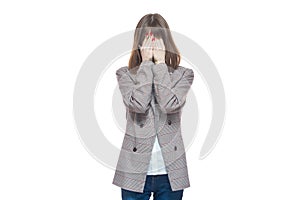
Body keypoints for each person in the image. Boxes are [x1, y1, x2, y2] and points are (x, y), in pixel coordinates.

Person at [113, 13, 194, 200]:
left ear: (166, 44)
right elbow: (139, 104)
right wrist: (147, 63)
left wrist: (160, 65)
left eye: (157, 41)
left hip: (170, 172)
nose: (153, 48)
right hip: (134, 170)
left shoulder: (184, 75)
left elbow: (168, 104)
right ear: (139, 45)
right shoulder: (125, 74)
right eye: (148, 41)